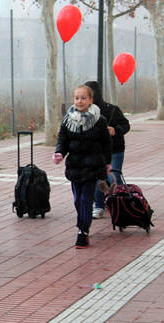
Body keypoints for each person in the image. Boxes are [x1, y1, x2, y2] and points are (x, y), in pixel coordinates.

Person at [52, 85, 112, 249]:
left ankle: (82, 232)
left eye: (83, 98)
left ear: (91, 100)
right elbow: (62, 139)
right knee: (78, 200)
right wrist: (59, 153)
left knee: (86, 199)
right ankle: (83, 224)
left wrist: (108, 162)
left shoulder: (99, 120)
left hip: (93, 165)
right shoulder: (68, 119)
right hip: (75, 166)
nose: (80, 101)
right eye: (77, 98)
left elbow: (107, 143)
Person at [84, 81, 130, 219]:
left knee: (113, 176)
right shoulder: (83, 113)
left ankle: (123, 202)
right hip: (96, 151)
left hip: (115, 149)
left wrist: (115, 130)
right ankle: (99, 206)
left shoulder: (112, 110)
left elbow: (126, 125)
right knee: (98, 177)